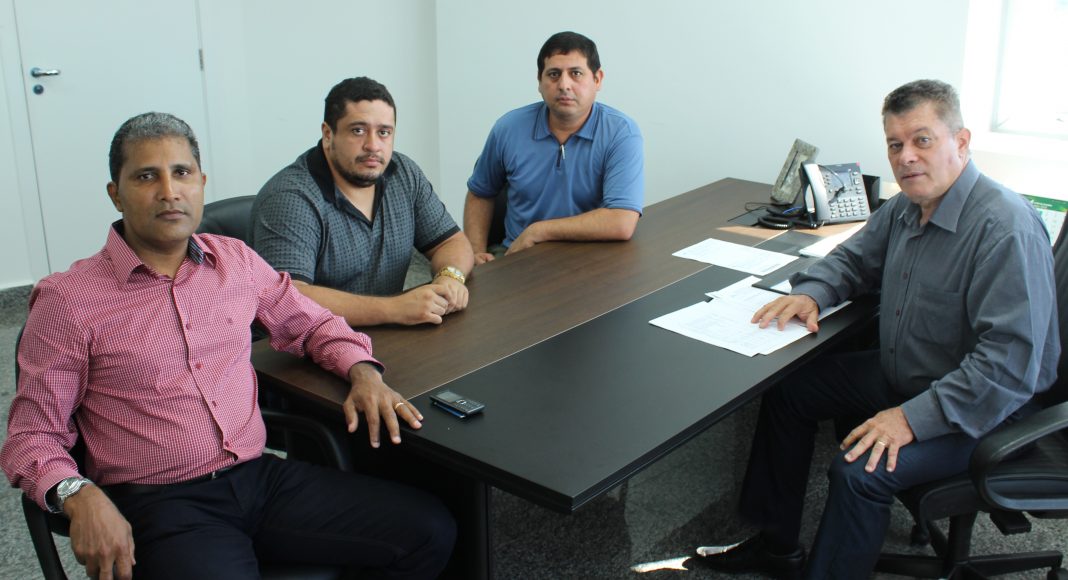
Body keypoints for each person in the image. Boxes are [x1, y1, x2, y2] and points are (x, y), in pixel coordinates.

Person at [1, 112, 455, 580]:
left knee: (428, 530)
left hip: (258, 478)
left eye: (181, 173)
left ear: (201, 183)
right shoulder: (68, 300)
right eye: (146, 176)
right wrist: (79, 495)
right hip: (164, 505)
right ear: (115, 194)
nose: (169, 191)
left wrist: (363, 372)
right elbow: (31, 436)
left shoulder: (234, 260)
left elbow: (312, 323)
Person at [696, 79, 1060, 579]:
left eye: (922, 140)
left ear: (961, 141)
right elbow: (853, 259)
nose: (906, 157)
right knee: (789, 392)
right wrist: (813, 293)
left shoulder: (1005, 229)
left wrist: (910, 419)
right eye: (895, 144)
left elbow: (1006, 367)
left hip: (985, 407)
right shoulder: (908, 205)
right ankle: (777, 547)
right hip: (912, 372)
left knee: (859, 471)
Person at [252, 77, 474, 327]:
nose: (373, 146)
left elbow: (451, 242)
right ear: (328, 134)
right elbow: (288, 299)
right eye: (358, 130)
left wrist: (450, 276)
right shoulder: (290, 198)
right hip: (305, 343)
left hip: (386, 334)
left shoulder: (403, 173)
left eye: (384, 132)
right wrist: (393, 309)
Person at [463, 31, 644, 263]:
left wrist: (538, 231)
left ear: (597, 79)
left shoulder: (621, 133)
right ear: (540, 81)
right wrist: (475, 254)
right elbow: (480, 193)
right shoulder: (508, 128)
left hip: (592, 260)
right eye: (554, 74)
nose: (564, 85)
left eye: (576, 73)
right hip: (518, 258)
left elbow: (621, 221)